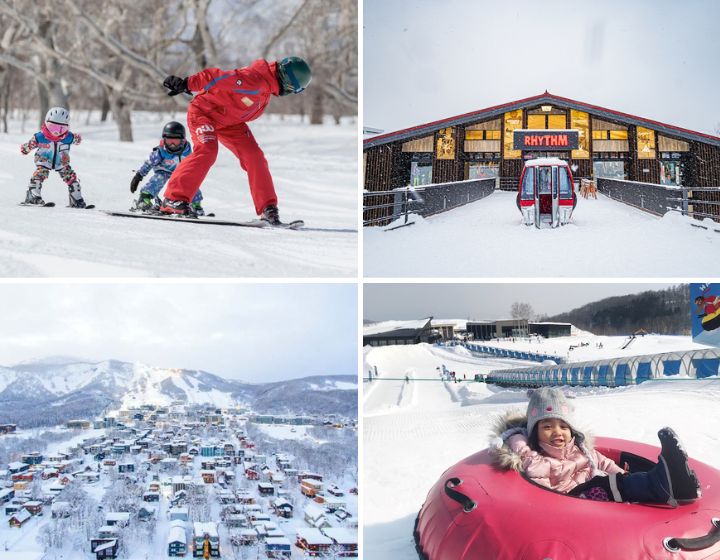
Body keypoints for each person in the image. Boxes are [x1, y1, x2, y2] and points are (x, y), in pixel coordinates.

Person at [160, 56, 312, 223]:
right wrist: (187, 83)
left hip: (231, 123)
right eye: (292, 89)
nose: (288, 93)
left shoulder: (266, 86)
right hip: (204, 113)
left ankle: (268, 208)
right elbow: (216, 77)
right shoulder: (252, 80)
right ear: (287, 82)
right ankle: (173, 199)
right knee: (208, 150)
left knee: (255, 158)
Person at [491, 387, 700, 506]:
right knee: (609, 486)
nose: (558, 432)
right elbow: (541, 495)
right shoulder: (534, 459)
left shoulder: (579, 448)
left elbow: (605, 463)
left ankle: (669, 478)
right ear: (533, 431)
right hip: (572, 502)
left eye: (564, 426)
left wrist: (622, 474)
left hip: (591, 489)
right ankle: (665, 485)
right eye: (547, 426)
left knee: (617, 481)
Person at [20, 107, 88, 207]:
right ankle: (33, 196)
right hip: (44, 160)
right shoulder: (40, 137)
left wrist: (77, 139)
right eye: (53, 127)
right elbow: (29, 145)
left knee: (71, 177)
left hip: (61, 162)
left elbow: (77, 140)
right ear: (46, 123)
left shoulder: (68, 137)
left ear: (67, 127)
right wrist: (26, 148)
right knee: (39, 174)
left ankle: (76, 199)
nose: (56, 132)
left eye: (61, 128)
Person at [129, 122, 203, 214]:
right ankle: (144, 199)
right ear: (164, 140)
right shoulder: (161, 151)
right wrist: (139, 175)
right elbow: (149, 163)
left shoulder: (187, 151)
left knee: (190, 183)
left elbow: (194, 163)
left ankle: (195, 205)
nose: (172, 145)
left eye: (175, 141)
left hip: (180, 172)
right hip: (163, 170)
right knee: (158, 179)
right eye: (169, 141)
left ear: (183, 140)